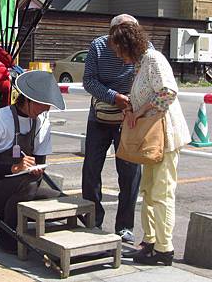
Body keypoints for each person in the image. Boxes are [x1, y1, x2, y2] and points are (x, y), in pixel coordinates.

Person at [108, 22, 191, 266]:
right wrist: (134, 109)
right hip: (153, 137)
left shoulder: (153, 59)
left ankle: (164, 248)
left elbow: (168, 93)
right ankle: (151, 241)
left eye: (118, 49)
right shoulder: (142, 62)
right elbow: (150, 95)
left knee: (161, 191)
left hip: (165, 136)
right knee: (149, 190)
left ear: (127, 45)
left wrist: (140, 110)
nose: (117, 54)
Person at [0, 70, 64, 253]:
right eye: (43, 104)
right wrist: (14, 168)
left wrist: (37, 170)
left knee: (63, 202)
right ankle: (9, 237)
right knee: (27, 182)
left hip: (24, 188)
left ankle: (61, 243)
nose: (47, 109)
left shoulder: (42, 122)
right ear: (28, 100)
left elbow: (40, 161)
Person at [82, 14, 143, 244]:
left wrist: (131, 101)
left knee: (130, 172)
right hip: (99, 115)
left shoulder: (142, 48)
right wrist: (113, 96)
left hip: (129, 117)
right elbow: (89, 80)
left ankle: (125, 225)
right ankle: (92, 219)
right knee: (91, 168)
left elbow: (148, 78)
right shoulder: (97, 46)